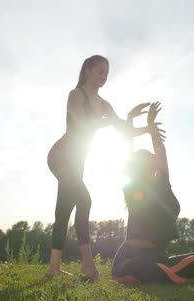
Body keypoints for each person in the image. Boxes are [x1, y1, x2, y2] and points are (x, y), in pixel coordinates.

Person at [47, 55, 152, 279]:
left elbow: (124, 129)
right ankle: (88, 265)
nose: (104, 76)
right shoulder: (76, 95)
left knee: (64, 210)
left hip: (78, 161)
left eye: (106, 72)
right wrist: (109, 121)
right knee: (85, 200)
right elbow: (81, 124)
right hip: (61, 157)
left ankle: (54, 269)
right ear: (87, 71)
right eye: (100, 72)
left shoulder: (105, 104)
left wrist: (142, 125)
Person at [111, 102, 194, 284]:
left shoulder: (163, 183)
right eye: (150, 156)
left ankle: (166, 273)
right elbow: (128, 154)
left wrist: (151, 124)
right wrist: (130, 120)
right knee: (140, 268)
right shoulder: (134, 188)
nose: (156, 157)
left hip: (160, 257)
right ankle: (176, 278)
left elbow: (161, 150)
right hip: (129, 260)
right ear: (141, 167)